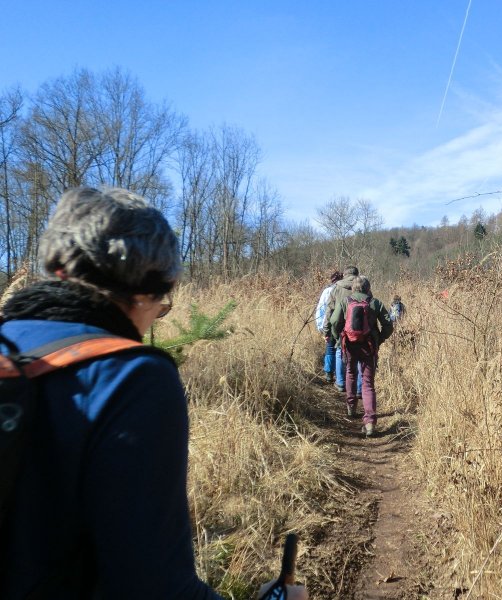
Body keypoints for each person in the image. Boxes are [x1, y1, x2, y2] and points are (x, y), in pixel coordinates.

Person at [0, 187, 307, 600]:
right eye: (163, 300)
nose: (157, 314)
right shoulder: (133, 377)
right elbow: (154, 588)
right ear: (145, 290)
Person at [329, 276, 393, 436]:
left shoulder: (345, 301)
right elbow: (389, 325)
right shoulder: (375, 303)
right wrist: (380, 339)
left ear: (353, 288)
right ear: (368, 288)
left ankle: (351, 407)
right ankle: (370, 422)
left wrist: (338, 338)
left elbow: (334, 321)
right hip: (369, 346)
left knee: (350, 373)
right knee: (367, 383)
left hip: (349, 345)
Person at [322, 265, 361, 395]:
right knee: (359, 355)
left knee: (339, 351)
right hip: (359, 326)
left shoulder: (336, 288)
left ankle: (340, 383)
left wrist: (326, 331)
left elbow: (329, 310)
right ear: (356, 274)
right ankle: (359, 387)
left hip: (340, 326)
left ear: (345, 274)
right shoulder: (362, 286)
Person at [315, 270, 342, 383]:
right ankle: (339, 375)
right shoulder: (344, 290)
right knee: (339, 349)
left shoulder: (326, 291)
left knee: (330, 349)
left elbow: (320, 309)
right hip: (341, 324)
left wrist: (321, 327)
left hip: (329, 324)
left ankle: (328, 374)